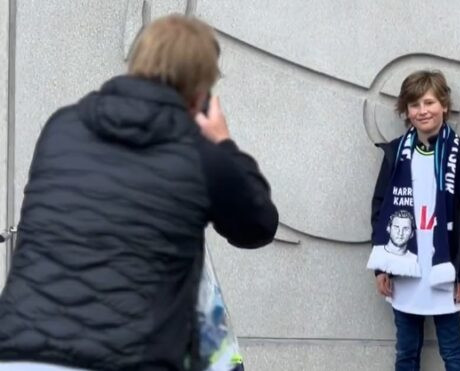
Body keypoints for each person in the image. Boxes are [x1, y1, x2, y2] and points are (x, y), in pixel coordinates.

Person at [0, 15, 278, 371]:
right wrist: (223, 143)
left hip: (21, 354)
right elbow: (259, 225)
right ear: (201, 88)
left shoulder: (63, 125)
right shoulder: (200, 156)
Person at [367, 70, 460, 371]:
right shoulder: (396, 153)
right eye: (414, 105)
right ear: (406, 111)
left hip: (445, 272)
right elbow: (380, 209)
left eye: (429, 102)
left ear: (444, 105)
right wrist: (382, 265)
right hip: (403, 270)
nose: (422, 111)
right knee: (406, 352)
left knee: (452, 352)